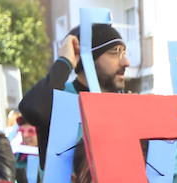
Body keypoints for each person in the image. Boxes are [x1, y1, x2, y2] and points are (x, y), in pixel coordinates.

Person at [19, 23, 130, 156]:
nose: (126, 62)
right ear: (88, 59)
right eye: (115, 52)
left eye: (124, 53)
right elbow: (32, 109)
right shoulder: (61, 97)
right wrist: (64, 62)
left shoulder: (122, 106)